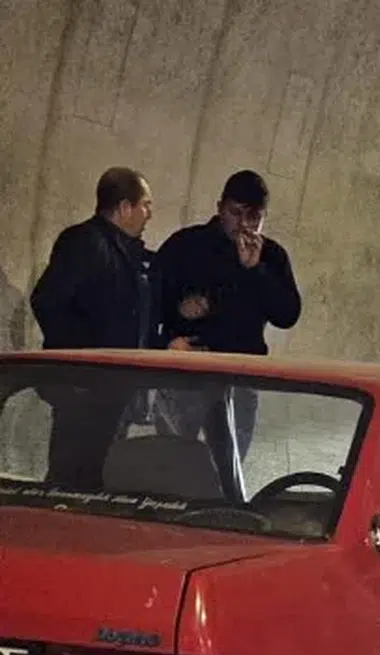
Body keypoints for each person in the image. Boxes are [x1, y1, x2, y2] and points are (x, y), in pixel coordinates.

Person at [152, 169, 301, 454]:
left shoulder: (271, 255)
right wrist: (170, 333)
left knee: (229, 465)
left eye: (254, 217)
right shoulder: (186, 245)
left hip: (240, 374)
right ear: (220, 208)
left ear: (264, 216)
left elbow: (287, 315)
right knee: (171, 460)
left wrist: (256, 270)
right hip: (186, 370)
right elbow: (149, 303)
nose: (244, 224)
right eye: (236, 213)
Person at [29, 166, 157, 488]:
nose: (149, 214)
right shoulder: (84, 242)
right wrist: (80, 366)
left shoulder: (129, 252)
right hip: (85, 389)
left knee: (100, 476)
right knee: (70, 475)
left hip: (114, 389)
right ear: (124, 207)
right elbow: (48, 301)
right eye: (145, 205)